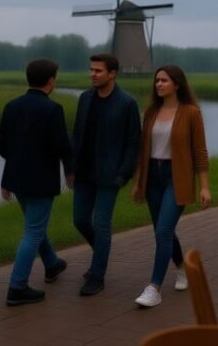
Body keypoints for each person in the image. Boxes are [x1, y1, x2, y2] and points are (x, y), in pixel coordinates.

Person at [130, 64, 211, 308]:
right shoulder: (151, 112)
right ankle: (182, 268)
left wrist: (204, 186)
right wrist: (138, 182)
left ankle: (154, 288)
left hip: (176, 177)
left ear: (177, 84)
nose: (159, 84)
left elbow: (200, 151)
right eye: (157, 80)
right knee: (162, 230)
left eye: (164, 80)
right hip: (152, 177)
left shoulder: (191, 113)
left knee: (163, 231)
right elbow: (142, 151)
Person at [0, 58, 74, 306]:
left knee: (34, 225)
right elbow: (63, 145)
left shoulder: (11, 106)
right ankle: (17, 287)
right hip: (41, 180)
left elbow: (2, 145)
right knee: (32, 232)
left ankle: (52, 263)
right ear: (50, 81)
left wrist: (12, 172)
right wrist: (69, 171)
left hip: (17, 179)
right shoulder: (53, 109)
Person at [70, 53, 141, 296]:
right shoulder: (85, 98)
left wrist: (124, 174)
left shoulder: (127, 103)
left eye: (98, 70)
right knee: (80, 220)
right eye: (91, 69)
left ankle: (97, 276)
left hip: (110, 175)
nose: (92, 74)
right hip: (84, 173)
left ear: (112, 74)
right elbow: (77, 134)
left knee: (102, 224)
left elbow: (133, 143)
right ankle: (101, 252)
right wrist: (70, 168)